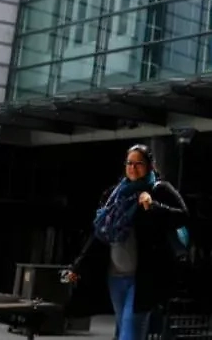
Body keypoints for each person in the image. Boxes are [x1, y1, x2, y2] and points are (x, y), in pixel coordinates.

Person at [66, 144, 189, 340]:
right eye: (129, 163)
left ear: (150, 165)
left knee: (130, 331)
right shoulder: (114, 195)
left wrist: (153, 206)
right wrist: (79, 266)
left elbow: (183, 216)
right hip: (114, 277)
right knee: (124, 328)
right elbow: (99, 234)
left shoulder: (159, 190)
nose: (133, 168)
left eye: (139, 164)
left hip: (143, 279)